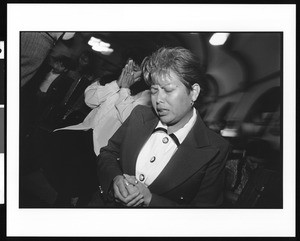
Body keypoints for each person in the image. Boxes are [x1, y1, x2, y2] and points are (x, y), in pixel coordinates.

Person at [96, 47, 231, 207]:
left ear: (193, 92)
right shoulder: (139, 115)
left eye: (168, 90)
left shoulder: (215, 149)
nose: (158, 99)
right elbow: (108, 153)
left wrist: (151, 200)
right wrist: (115, 179)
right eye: (154, 90)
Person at [43, 59, 151, 207]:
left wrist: (125, 89)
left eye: (137, 67)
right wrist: (117, 84)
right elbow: (89, 99)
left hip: (103, 147)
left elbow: (129, 118)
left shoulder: (147, 94)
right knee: (59, 151)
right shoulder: (110, 79)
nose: (131, 69)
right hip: (83, 133)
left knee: (83, 184)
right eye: (130, 64)